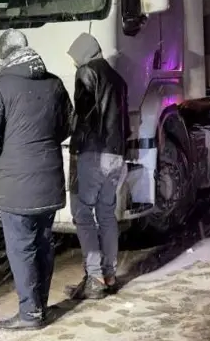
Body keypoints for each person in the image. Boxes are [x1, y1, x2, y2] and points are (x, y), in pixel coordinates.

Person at [0, 29, 72, 331]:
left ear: (4, 54)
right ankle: (39, 306)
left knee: (21, 249)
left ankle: (30, 314)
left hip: (16, 186)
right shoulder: (54, 83)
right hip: (49, 179)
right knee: (43, 243)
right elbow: (67, 125)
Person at [65, 32, 129, 300]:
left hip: (93, 154)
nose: (74, 63)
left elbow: (84, 116)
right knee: (106, 213)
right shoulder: (118, 79)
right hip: (116, 154)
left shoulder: (87, 74)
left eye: (74, 57)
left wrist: (76, 143)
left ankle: (94, 277)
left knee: (82, 213)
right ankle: (109, 274)